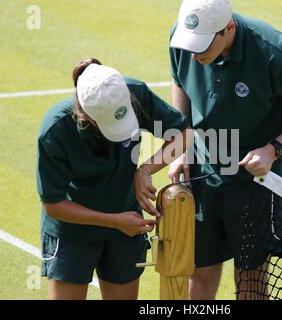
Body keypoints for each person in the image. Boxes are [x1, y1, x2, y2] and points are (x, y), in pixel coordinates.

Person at [168, 0, 282, 299]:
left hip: (257, 182)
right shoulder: (184, 37)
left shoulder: (274, 52)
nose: (193, 54)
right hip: (203, 174)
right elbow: (180, 82)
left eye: (202, 45)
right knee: (199, 274)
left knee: (250, 282)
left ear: (228, 28)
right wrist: (183, 146)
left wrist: (273, 149)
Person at [36, 58, 190, 300]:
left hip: (124, 228)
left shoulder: (134, 93)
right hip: (73, 233)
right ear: (86, 115)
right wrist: (113, 221)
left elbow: (183, 134)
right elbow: (53, 204)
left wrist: (145, 170)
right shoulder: (55, 131)